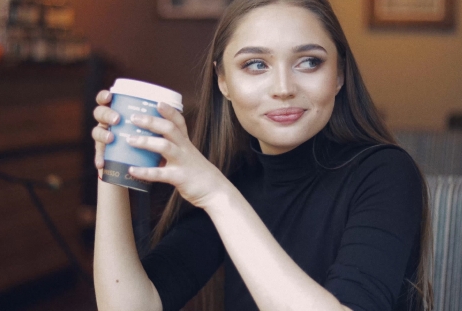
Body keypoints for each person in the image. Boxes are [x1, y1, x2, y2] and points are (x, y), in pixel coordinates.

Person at [91, 0, 433, 310]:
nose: (283, 88)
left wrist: (217, 194)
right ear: (223, 81)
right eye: (256, 64)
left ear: (339, 74)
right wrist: (110, 170)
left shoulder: (386, 173)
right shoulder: (237, 179)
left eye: (309, 62)